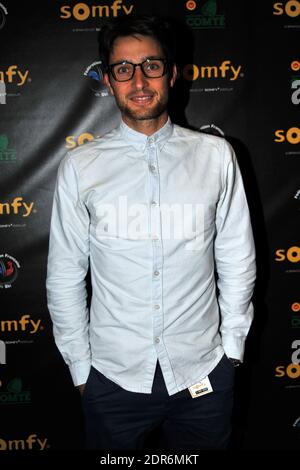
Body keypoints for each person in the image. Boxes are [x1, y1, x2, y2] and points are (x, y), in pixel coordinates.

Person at [46, 15, 256, 451]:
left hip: (203, 374)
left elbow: (237, 257)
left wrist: (231, 350)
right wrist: (81, 370)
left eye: (151, 65)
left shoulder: (216, 157)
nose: (138, 80)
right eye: (124, 68)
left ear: (173, 73)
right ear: (108, 79)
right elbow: (65, 275)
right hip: (112, 378)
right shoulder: (80, 168)